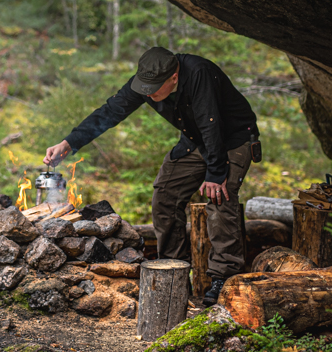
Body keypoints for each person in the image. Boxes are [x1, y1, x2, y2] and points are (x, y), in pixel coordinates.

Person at [43, 46, 259, 306]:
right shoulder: (146, 82)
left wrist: (215, 173)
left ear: (174, 78)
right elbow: (110, 112)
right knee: (165, 196)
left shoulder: (199, 73)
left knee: (219, 198)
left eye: (154, 88)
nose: (148, 93)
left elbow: (211, 123)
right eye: (145, 87)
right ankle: (173, 271)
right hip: (198, 141)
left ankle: (224, 278)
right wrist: (68, 144)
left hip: (233, 140)